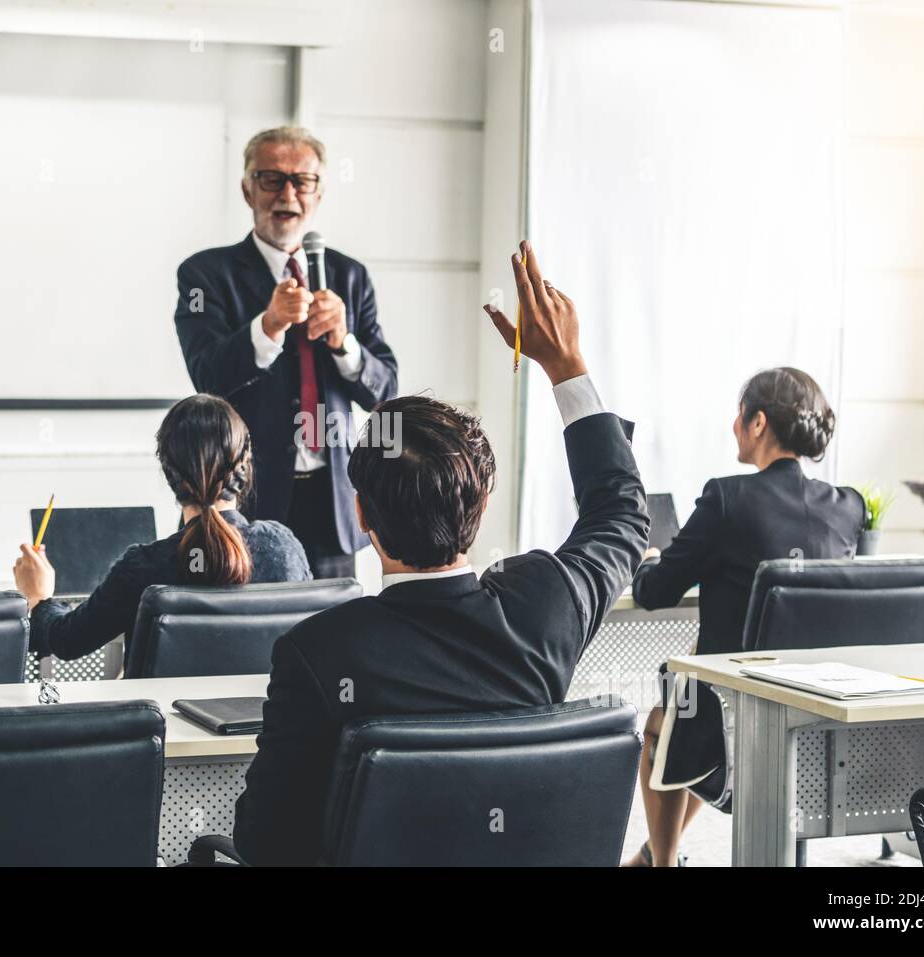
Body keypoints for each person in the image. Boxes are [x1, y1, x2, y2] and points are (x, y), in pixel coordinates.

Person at [230, 241, 649, 866]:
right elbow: (621, 514)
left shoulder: (317, 652)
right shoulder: (548, 604)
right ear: (479, 510)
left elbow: (264, 846)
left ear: (362, 514)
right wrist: (566, 366)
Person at [626, 367, 865, 867]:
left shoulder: (727, 499)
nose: (734, 426)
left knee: (666, 720)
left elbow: (655, 591)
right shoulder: (846, 508)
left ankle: (662, 862)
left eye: (740, 416)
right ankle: (654, 854)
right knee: (696, 699)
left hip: (739, 731)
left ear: (758, 423)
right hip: (823, 729)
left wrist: (648, 560)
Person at [173, 126, 398, 579]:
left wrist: (344, 343)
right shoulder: (205, 274)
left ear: (319, 192)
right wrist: (267, 325)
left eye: (303, 181)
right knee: (253, 640)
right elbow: (208, 379)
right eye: (272, 179)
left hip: (333, 503)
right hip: (244, 502)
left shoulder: (349, 276)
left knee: (332, 639)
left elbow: (386, 392)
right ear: (247, 189)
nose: (288, 193)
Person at [13, 393, 311, 660]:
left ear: (168, 472)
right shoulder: (283, 547)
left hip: (167, 722)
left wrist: (38, 597)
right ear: (245, 463)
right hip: (266, 720)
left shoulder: (144, 567)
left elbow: (66, 641)